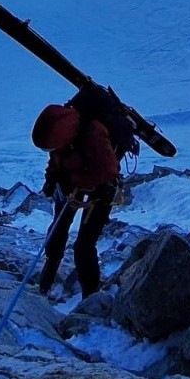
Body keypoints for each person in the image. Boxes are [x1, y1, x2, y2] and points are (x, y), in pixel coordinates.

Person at [31, 82, 135, 298]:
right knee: (57, 230)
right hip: (72, 180)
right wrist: (52, 179)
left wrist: (76, 181)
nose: (49, 150)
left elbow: (108, 171)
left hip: (102, 190)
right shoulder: (63, 136)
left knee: (84, 245)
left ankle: (90, 293)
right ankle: (49, 273)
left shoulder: (93, 133)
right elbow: (57, 160)